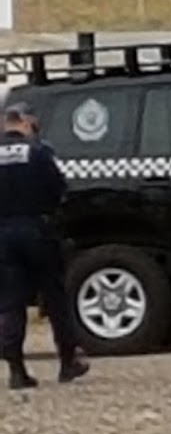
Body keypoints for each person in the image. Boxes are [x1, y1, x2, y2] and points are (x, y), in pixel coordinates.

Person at [0, 101, 89, 390]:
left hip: (3, 235)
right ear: (25, 123)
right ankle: (67, 362)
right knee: (54, 297)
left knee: (11, 301)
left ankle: (16, 369)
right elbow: (58, 191)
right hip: (37, 231)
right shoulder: (38, 153)